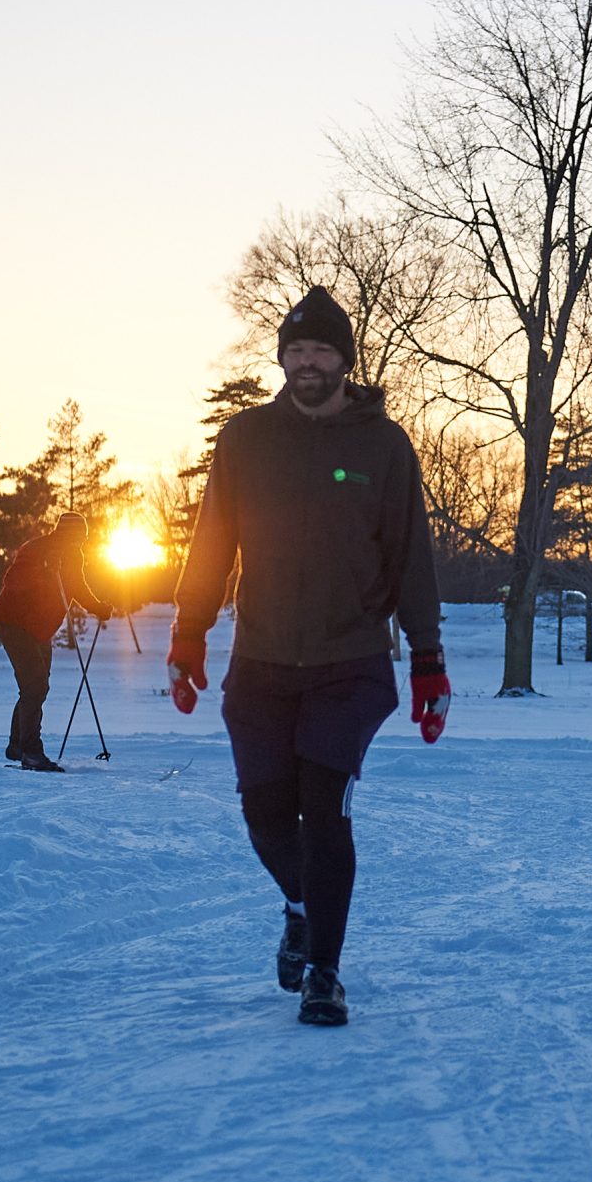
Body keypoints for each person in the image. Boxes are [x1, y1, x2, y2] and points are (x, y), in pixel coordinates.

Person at [165, 285, 448, 1028]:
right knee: (264, 813)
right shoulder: (244, 439)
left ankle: (325, 969)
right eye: (295, 351)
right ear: (281, 360)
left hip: (349, 660)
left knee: (324, 812)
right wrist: (187, 633)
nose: (307, 362)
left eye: (321, 350)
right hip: (259, 659)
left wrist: (428, 657)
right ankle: (299, 905)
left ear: (345, 360)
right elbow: (211, 543)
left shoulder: (382, 445)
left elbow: (411, 554)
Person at [0, 513, 113, 771]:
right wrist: (44, 569)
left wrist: (97, 608)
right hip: (14, 623)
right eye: (77, 537)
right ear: (64, 534)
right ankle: (31, 753)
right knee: (35, 685)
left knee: (36, 687)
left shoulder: (74, 556)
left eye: (83, 538)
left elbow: (77, 587)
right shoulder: (36, 549)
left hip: (39, 630)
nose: (80, 543)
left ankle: (17, 746)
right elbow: (12, 582)